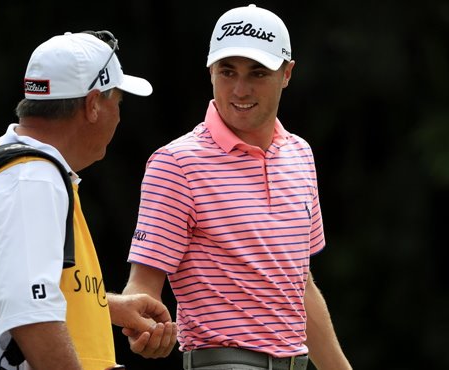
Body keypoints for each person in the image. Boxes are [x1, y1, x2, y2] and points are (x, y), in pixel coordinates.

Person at [0, 30, 176, 370]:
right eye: (117, 101)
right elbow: (31, 316)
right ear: (93, 105)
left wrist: (108, 307)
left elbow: (3, 287)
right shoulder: (34, 181)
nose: (119, 116)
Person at [122, 4, 352, 370]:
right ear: (210, 70)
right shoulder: (177, 163)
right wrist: (142, 330)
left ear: (287, 73)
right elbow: (143, 285)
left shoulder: (300, 156)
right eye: (227, 72)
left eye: (257, 73)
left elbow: (299, 285)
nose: (240, 89)